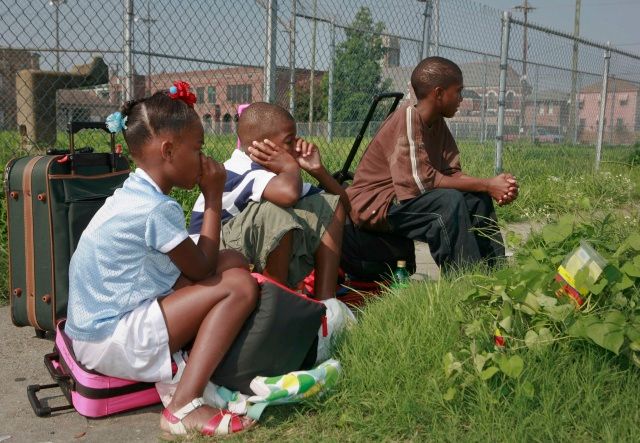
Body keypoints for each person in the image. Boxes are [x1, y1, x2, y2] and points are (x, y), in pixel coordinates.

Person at [65, 82, 258, 437]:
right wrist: (213, 197)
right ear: (168, 150)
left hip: (95, 328)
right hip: (109, 338)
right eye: (198, 148)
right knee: (240, 287)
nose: (204, 159)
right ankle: (184, 406)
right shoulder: (154, 208)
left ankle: (193, 359)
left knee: (230, 259)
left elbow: (203, 262)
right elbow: (200, 268)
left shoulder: (135, 192)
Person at [347, 56, 519, 271]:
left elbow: (451, 173)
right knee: (448, 202)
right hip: (375, 205)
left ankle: (497, 274)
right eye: (458, 91)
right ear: (438, 93)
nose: (461, 99)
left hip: (401, 199)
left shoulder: (437, 123)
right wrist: (487, 183)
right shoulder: (408, 117)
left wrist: (492, 186)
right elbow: (422, 182)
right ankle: (467, 283)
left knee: (477, 198)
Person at [189, 102, 348, 300]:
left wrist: (319, 171)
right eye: (289, 141)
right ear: (262, 146)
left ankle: (326, 301)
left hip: (238, 248)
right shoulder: (239, 169)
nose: (296, 147)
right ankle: (277, 302)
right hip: (209, 261)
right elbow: (288, 195)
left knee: (325, 205)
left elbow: (341, 206)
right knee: (275, 212)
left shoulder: (273, 176)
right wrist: (291, 167)